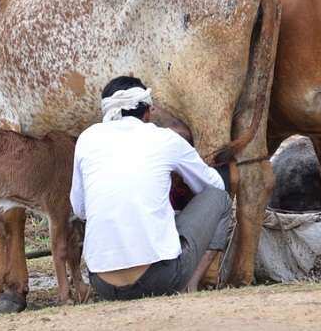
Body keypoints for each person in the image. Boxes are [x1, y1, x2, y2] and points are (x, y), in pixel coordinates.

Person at [70, 76, 231, 300]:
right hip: (160, 279)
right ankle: (189, 287)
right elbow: (212, 185)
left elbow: (80, 210)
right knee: (219, 198)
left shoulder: (87, 139)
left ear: (107, 111)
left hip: (103, 284)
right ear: (148, 112)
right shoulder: (164, 138)